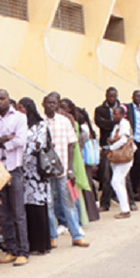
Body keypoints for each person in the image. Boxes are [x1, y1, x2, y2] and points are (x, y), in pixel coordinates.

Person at [0, 89, 30, 266]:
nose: (0, 102)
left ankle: (23, 251)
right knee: (3, 212)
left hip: (14, 169)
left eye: (3, 98)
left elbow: (21, 140)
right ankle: (11, 250)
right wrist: (4, 139)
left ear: (9, 99)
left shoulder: (19, 117)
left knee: (18, 212)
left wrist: (2, 142)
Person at [43, 93, 90, 247]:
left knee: (68, 203)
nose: (51, 105)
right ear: (43, 105)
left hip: (63, 169)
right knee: (49, 204)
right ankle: (52, 236)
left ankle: (76, 235)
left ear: (57, 105)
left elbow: (71, 145)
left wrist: (70, 168)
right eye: (48, 103)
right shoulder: (41, 123)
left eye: (53, 103)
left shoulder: (64, 121)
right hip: (47, 171)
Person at [18, 97, 52, 255]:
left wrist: (22, 154)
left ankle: (42, 244)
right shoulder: (19, 125)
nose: (19, 111)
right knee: (27, 208)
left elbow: (38, 144)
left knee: (38, 207)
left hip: (36, 173)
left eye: (22, 108)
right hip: (23, 173)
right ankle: (31, 244)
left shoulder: (40, 126)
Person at [94, 87, 122, 212]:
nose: (112, 98)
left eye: (114, 96)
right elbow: (101, 124)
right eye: (110, 96)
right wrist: (114, 123)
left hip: (120, 147)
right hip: (106, 146)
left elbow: (124, 124)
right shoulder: (100, 110)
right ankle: (105, 203)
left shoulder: (122, 108)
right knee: (105, 176)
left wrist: (108, 123)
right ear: (106, 95)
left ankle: (126, 201)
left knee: (122, 176)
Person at [107, 106, 135, 219]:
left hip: (124, 156)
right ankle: (125, 208)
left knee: (116, 182)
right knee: (120, 183)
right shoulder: (116, 125)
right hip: (117, 158)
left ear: (122, 114)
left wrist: (111, 147)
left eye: (117, 114)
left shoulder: (125, 124)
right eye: (113, 114)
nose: (114, 116)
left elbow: (124, 140)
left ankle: (125, 210)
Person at [126, 90, 140, 197]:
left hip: (139, 142)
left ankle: (135, 190)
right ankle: (129, 190)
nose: (139, 98)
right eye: (137, 96)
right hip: (130, 142)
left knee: (137, 166)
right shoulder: (128, 108)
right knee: (129, 166)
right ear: (132, 97)